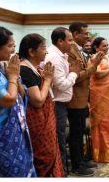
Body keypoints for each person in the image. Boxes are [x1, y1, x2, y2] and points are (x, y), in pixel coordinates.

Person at [0, 25, 35, 177]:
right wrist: (12, 77)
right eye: (10, 46)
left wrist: (15, 75)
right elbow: (8, 101)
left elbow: (21, 94)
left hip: (11, 133)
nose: (13, 50)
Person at [19, 33, 64, 177]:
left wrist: (46, 79)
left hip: (44, 119)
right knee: (44, 156)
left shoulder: (34, 68)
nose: (46, 52)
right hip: (37, 121)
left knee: (50, 153)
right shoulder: (24, 70)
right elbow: (38, 100)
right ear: (31, 52)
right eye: (43, 48)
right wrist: (48, 80)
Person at [66, 22, 104, 176]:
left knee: (80, 131)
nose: (88, 36)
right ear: (75, 34)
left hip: (82, 98)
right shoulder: (70, 50)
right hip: (74, 100)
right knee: (76, 133)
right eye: (85, 33)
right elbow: (76, 77)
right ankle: (77, 165)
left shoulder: (77, 49)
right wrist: (94, 65)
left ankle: (81, 159)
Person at [44, 27, 80, 176]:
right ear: (60, 41)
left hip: (61, 104)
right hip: (57, 104)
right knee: (59, 138)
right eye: (69, 40)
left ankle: (62, 169)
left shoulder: (61, 55)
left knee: (61, 137)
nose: (72, 44)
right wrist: (74, 73)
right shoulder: (54, 57)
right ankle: (62, 172)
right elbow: (62, 84)